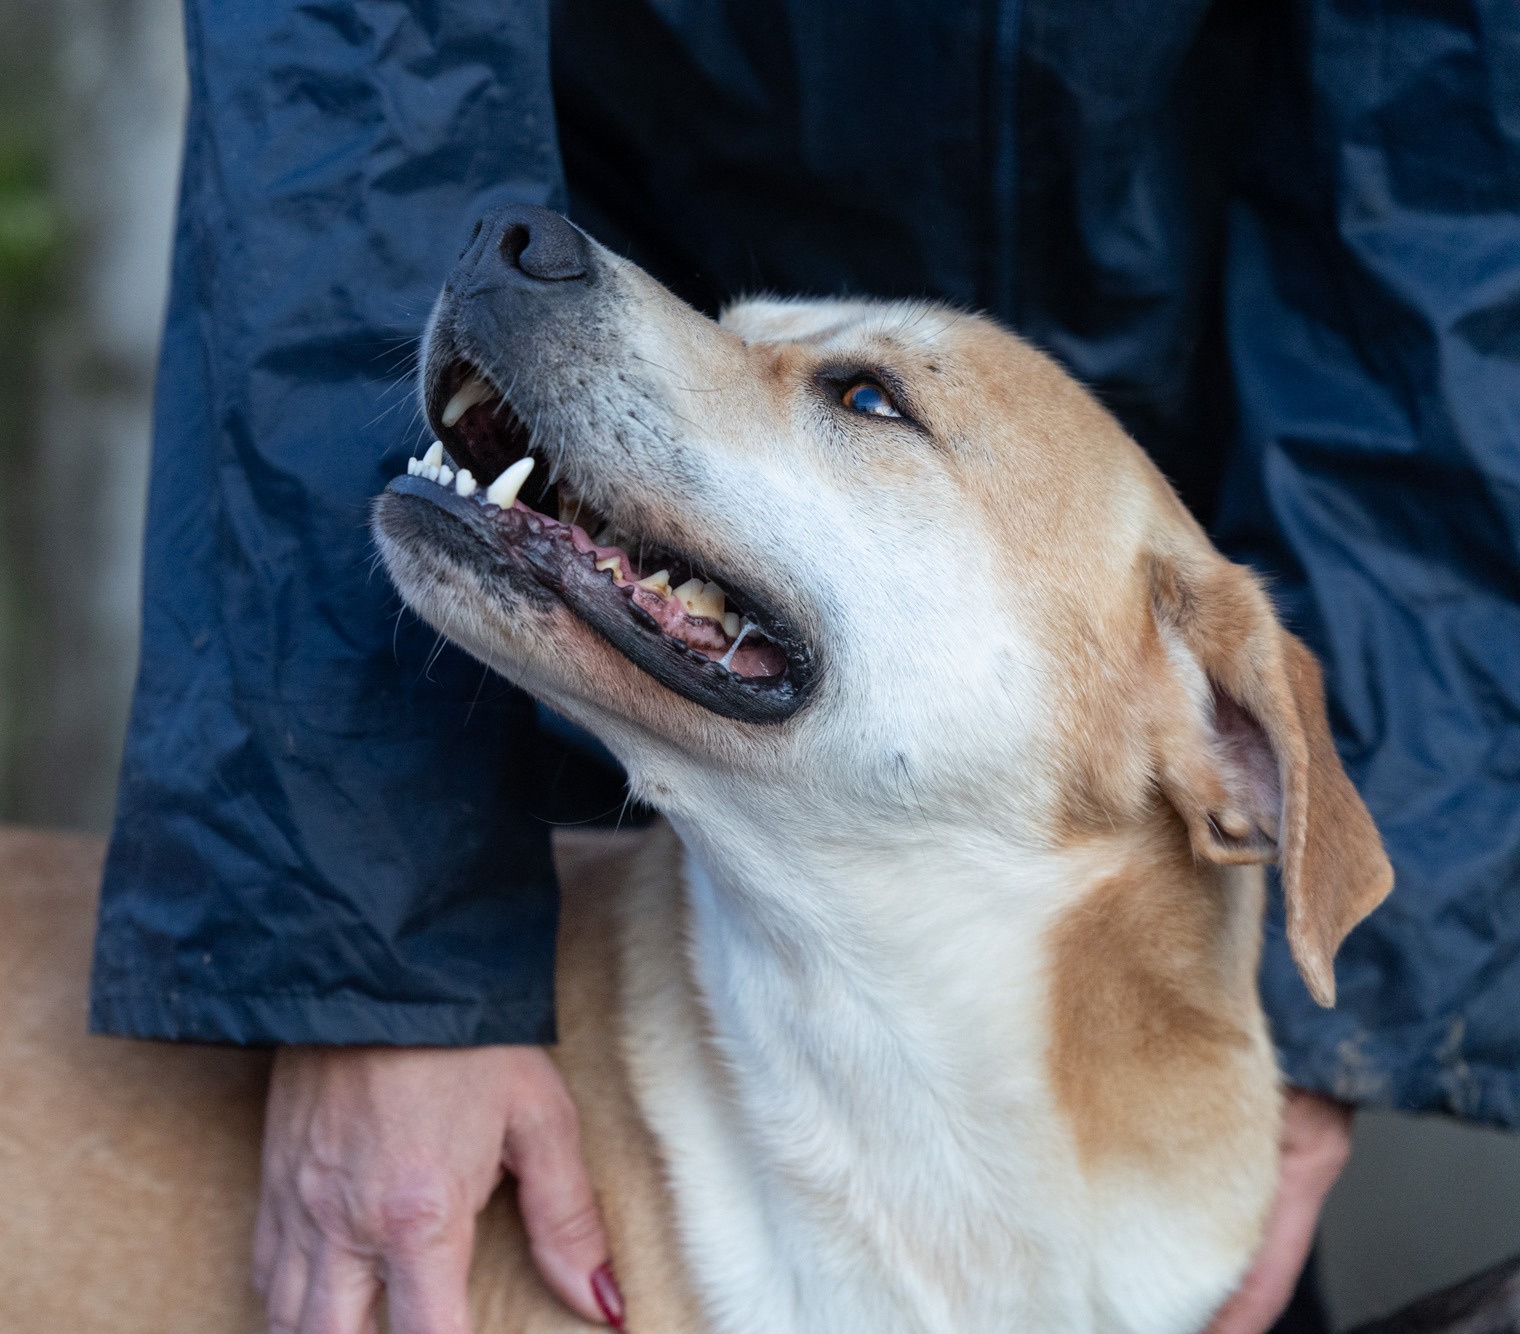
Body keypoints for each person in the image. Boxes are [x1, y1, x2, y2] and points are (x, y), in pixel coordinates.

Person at [88, 2, 1520, 1331]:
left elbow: (1455, 162)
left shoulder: (1180, 655)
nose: (518, 259)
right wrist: (376, 974)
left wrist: (1369, 1012)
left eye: (862, 398)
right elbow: (353, 48)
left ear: (1216, 735)